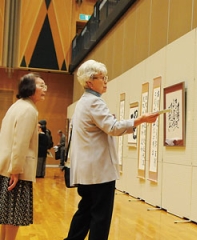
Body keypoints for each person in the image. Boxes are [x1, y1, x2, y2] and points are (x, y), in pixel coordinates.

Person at [64, 60, 159, 240]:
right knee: (101, 217)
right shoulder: (94, 103)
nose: (106, 81)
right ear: (90, 81)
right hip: (99, 172)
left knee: (85, 212)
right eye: (102, 78)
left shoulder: (83, 103)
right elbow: (113, 127)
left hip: (87, 172)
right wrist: (140, 120)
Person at [0, 73, 47, 240]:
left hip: (6, 166)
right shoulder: (29, 110)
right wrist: (16, 170)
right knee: (14, 215)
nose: (44, 89)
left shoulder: (16, 106)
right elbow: (20, 143)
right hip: (15, 170)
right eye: (41, 85)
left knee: (6, 214)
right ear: (30, 87)